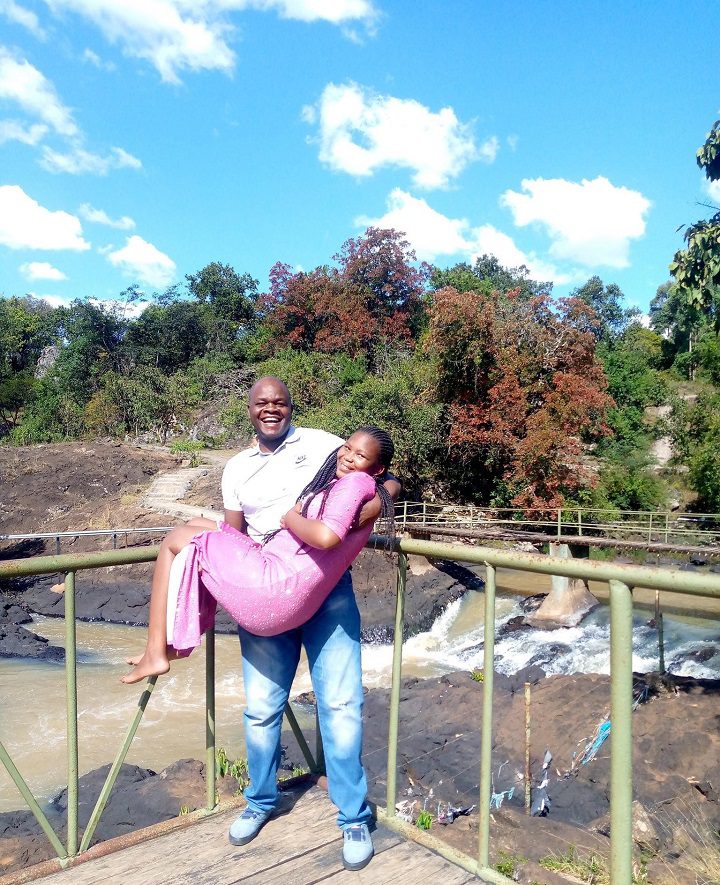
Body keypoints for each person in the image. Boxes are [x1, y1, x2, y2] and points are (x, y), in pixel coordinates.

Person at [223, 376, 400, 872]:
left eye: (279, 402)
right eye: (262, 403)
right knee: (262, 708)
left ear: (290, 406)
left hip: (328, 589)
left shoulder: (325, 444)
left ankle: (353, 817)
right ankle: (260, 801)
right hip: (269, 591)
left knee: (341, 704)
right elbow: (232, 537)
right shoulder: (236, 468)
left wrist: (366, 513)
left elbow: (388, 480)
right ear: (250, 409)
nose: (271, 409)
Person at [120, 426, 395, 683]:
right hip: (280, 579)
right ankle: (172, 644)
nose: (348, 456)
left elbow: (326, 536)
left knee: (175, 540)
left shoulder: (354, 481)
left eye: (360, 455)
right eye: (347, 448)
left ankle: (156, 651)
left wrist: (291, 518)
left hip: (273, 588)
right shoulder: (347, 478)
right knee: (195, 525)